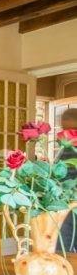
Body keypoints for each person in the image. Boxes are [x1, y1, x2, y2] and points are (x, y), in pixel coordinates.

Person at [58, 108, 77, 252]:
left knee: (63, 249)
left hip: (68, 204)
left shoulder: (68, 149)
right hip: (66, 203)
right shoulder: (66, 148)